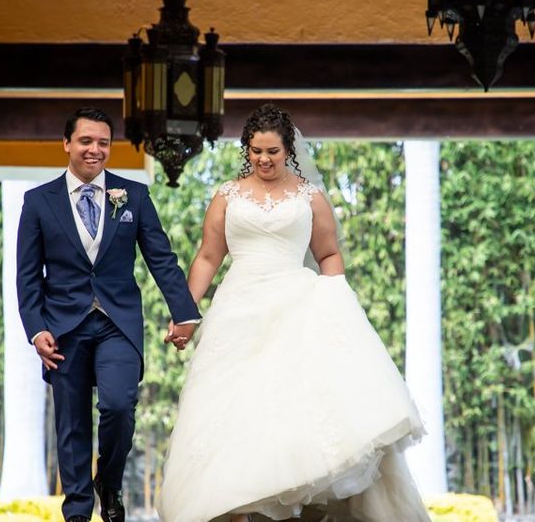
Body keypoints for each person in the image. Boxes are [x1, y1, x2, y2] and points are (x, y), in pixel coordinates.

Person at [158, 104, 431, 522]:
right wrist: (184, 313)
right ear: (245, 150)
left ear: (289, 150)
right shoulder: (226, 195)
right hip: (239, 310)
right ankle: (236, 506)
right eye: (255, 151)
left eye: (272, 151)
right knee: (237, 410)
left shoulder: (310, 197)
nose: (263, 159)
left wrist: (335, 303)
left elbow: (328, 253)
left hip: (298, 306)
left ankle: (303, 506)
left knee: (297, 408)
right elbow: (208, 257)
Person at [16, 107, 200, 522]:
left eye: (103, 142)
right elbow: (27, 276)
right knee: (72, 423)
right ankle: (78, 512)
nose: (95, 150)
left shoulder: (133, 195)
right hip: (63, 327)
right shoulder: (37, 202)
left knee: (119, 406)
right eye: (86, 141)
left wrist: (185, 313)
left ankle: (110, 483)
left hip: (118, 323)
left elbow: (162, 259)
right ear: (67, 144)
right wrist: (36, 329)